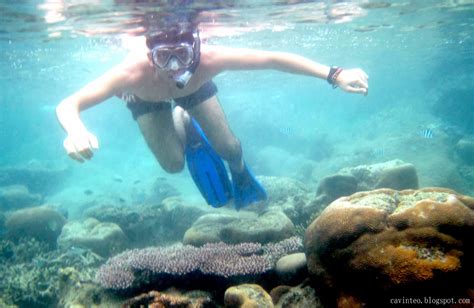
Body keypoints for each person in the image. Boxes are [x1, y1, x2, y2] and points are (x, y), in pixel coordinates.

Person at [56, 20, 369, 210]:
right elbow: (68, 105)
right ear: (151, 57)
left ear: (197, 48)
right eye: (164, 57)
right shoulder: (130, 73)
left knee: (231, 149)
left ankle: (240, 172)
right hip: (145, 98)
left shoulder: (210, 59)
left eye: (183, 54)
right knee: (173, 165)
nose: (175, 66)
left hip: (195, 89)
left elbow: (273, 58)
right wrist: (74, 129)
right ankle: (185, 125)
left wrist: (334, 74)